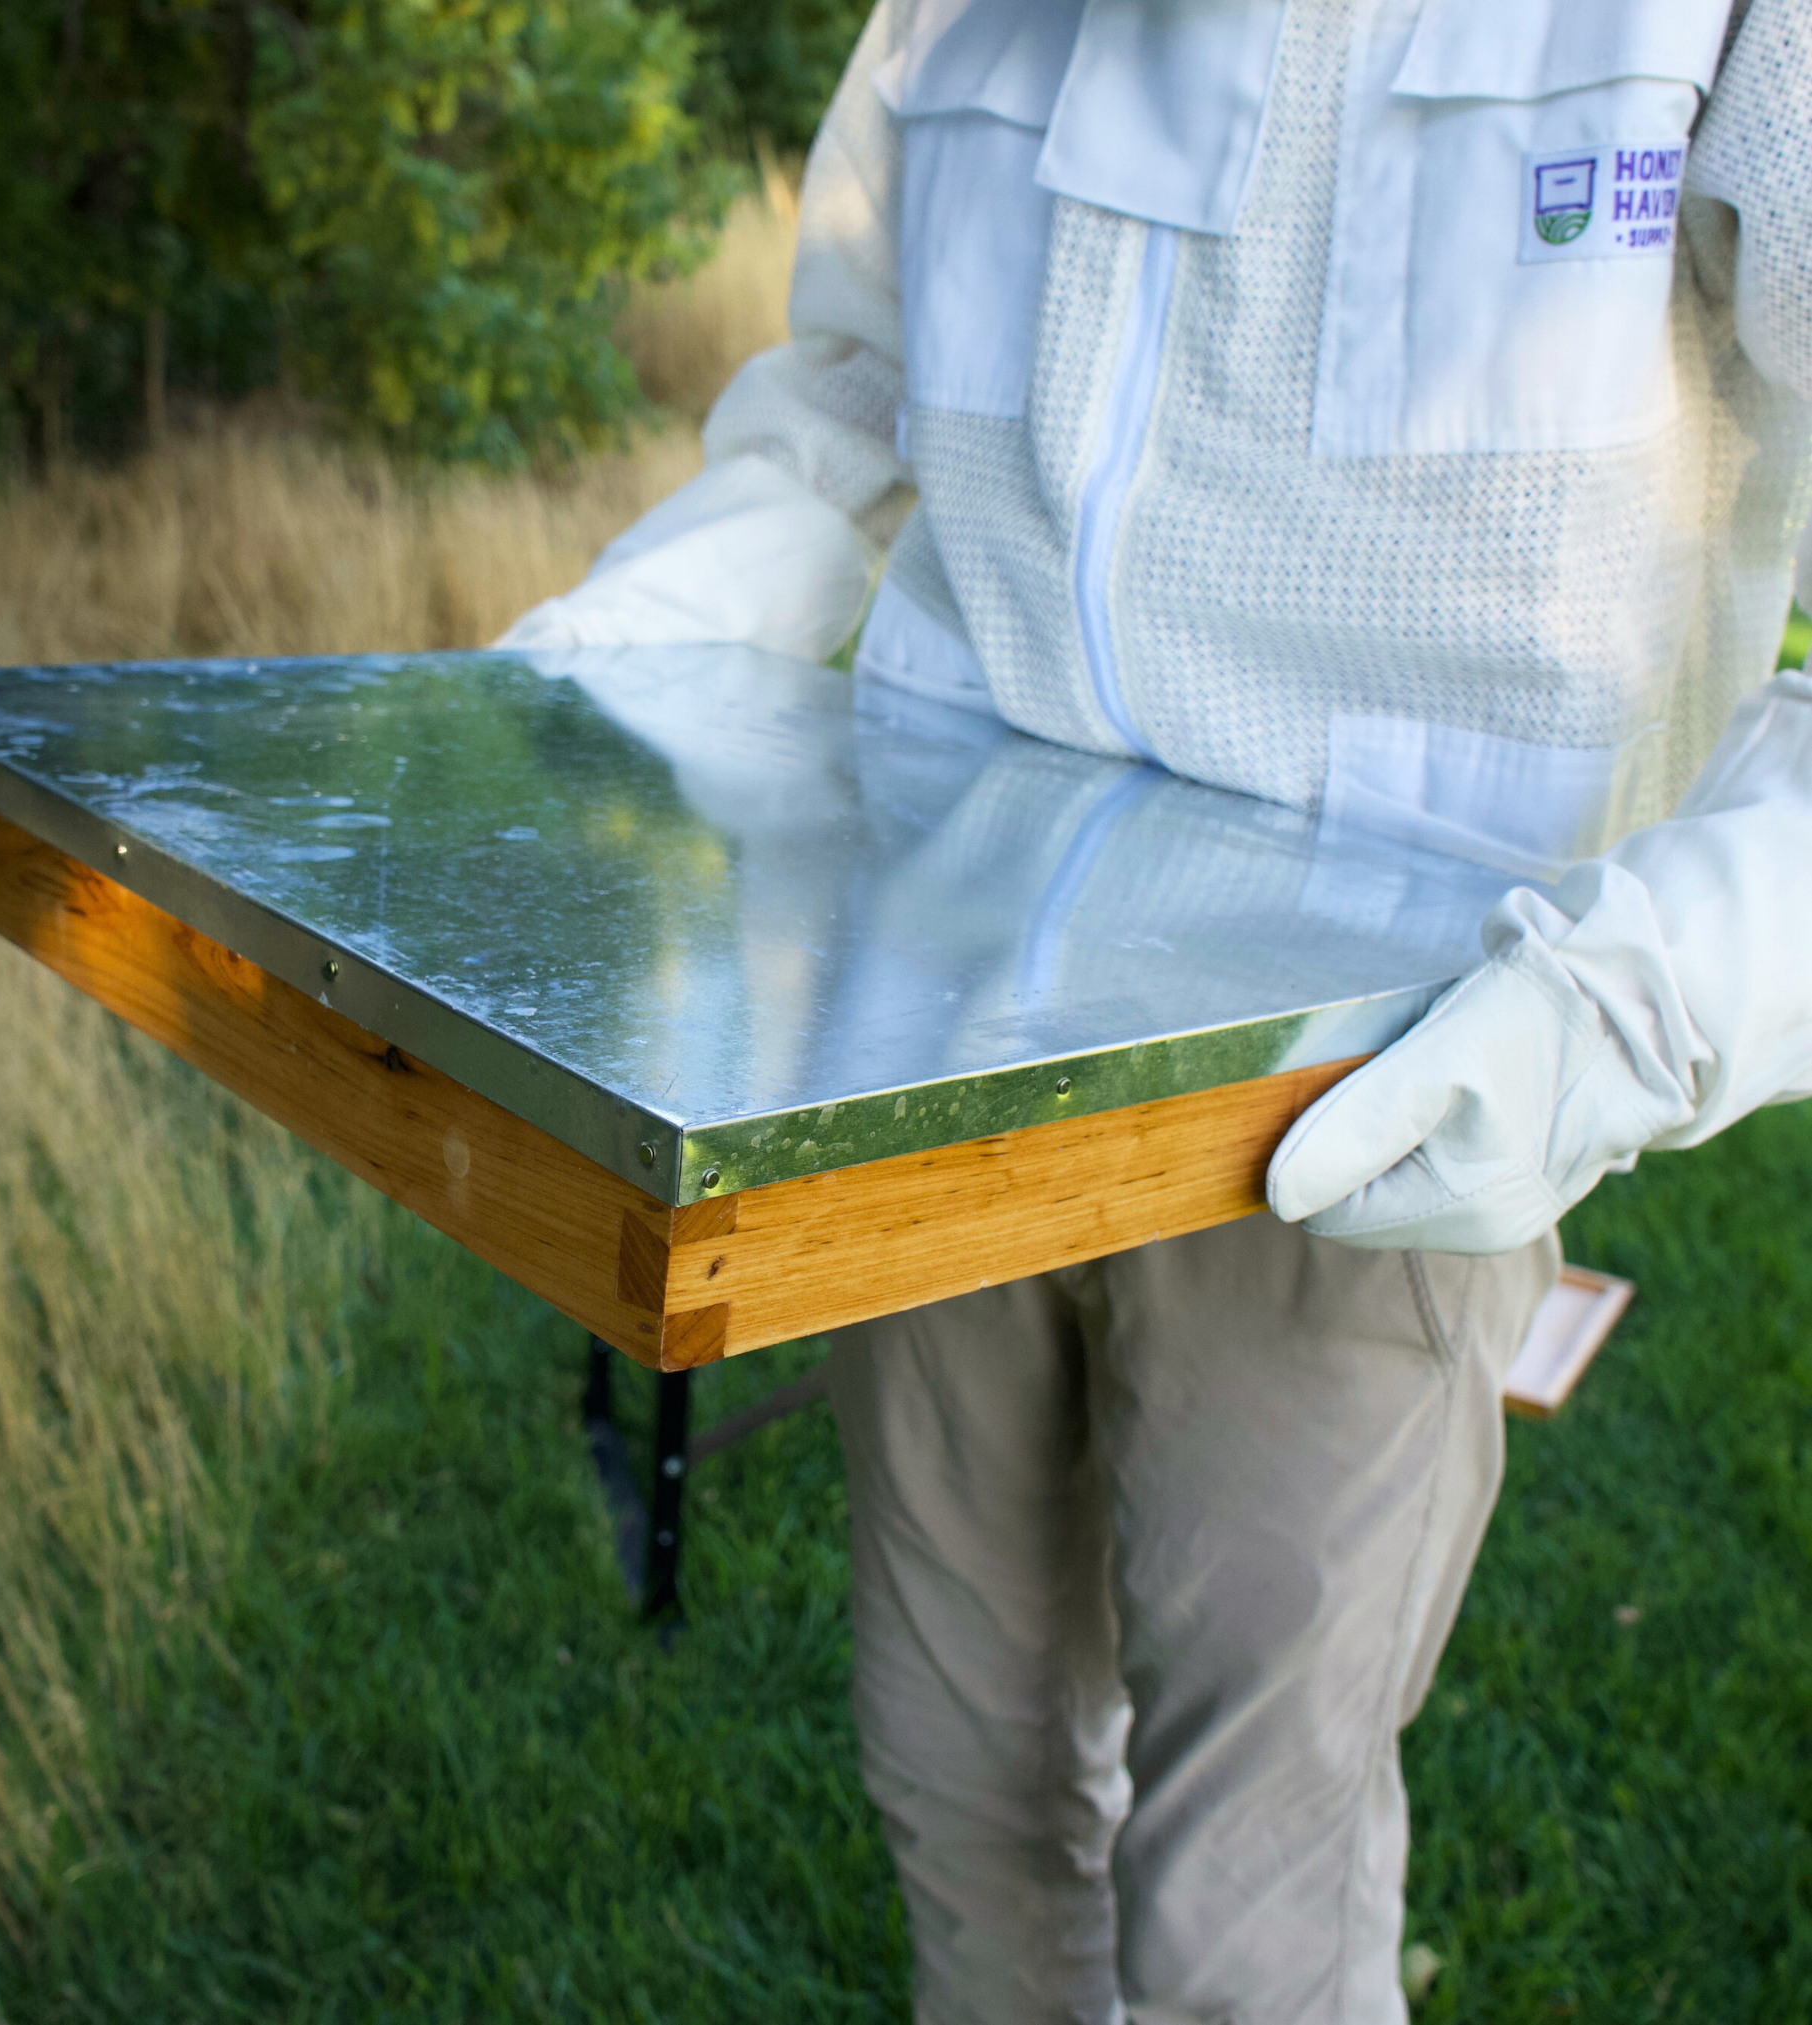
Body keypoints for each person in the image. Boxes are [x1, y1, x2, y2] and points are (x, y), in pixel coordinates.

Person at [501, 3, 1812, 2018]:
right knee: (962, 1769)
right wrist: (653, 627)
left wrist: (1638, 1002)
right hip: (928, 1035)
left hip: (1361, 1101)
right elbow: (850, 389)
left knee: (1247, 1892)